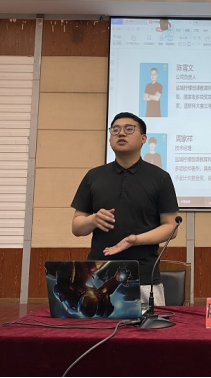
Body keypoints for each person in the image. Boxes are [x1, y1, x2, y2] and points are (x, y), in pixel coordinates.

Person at [71, 112, 179, 307]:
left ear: (143, 138)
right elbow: (77, 227)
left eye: (129, 129)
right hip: (97, 276)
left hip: (144, 277)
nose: (121, 133)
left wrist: (135, 240)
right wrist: (92, 220)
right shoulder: (93, 176)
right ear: (110, 138)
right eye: (115, 130)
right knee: (95, 325)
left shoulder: (160, 178)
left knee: (151, 327)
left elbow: (171, 227)